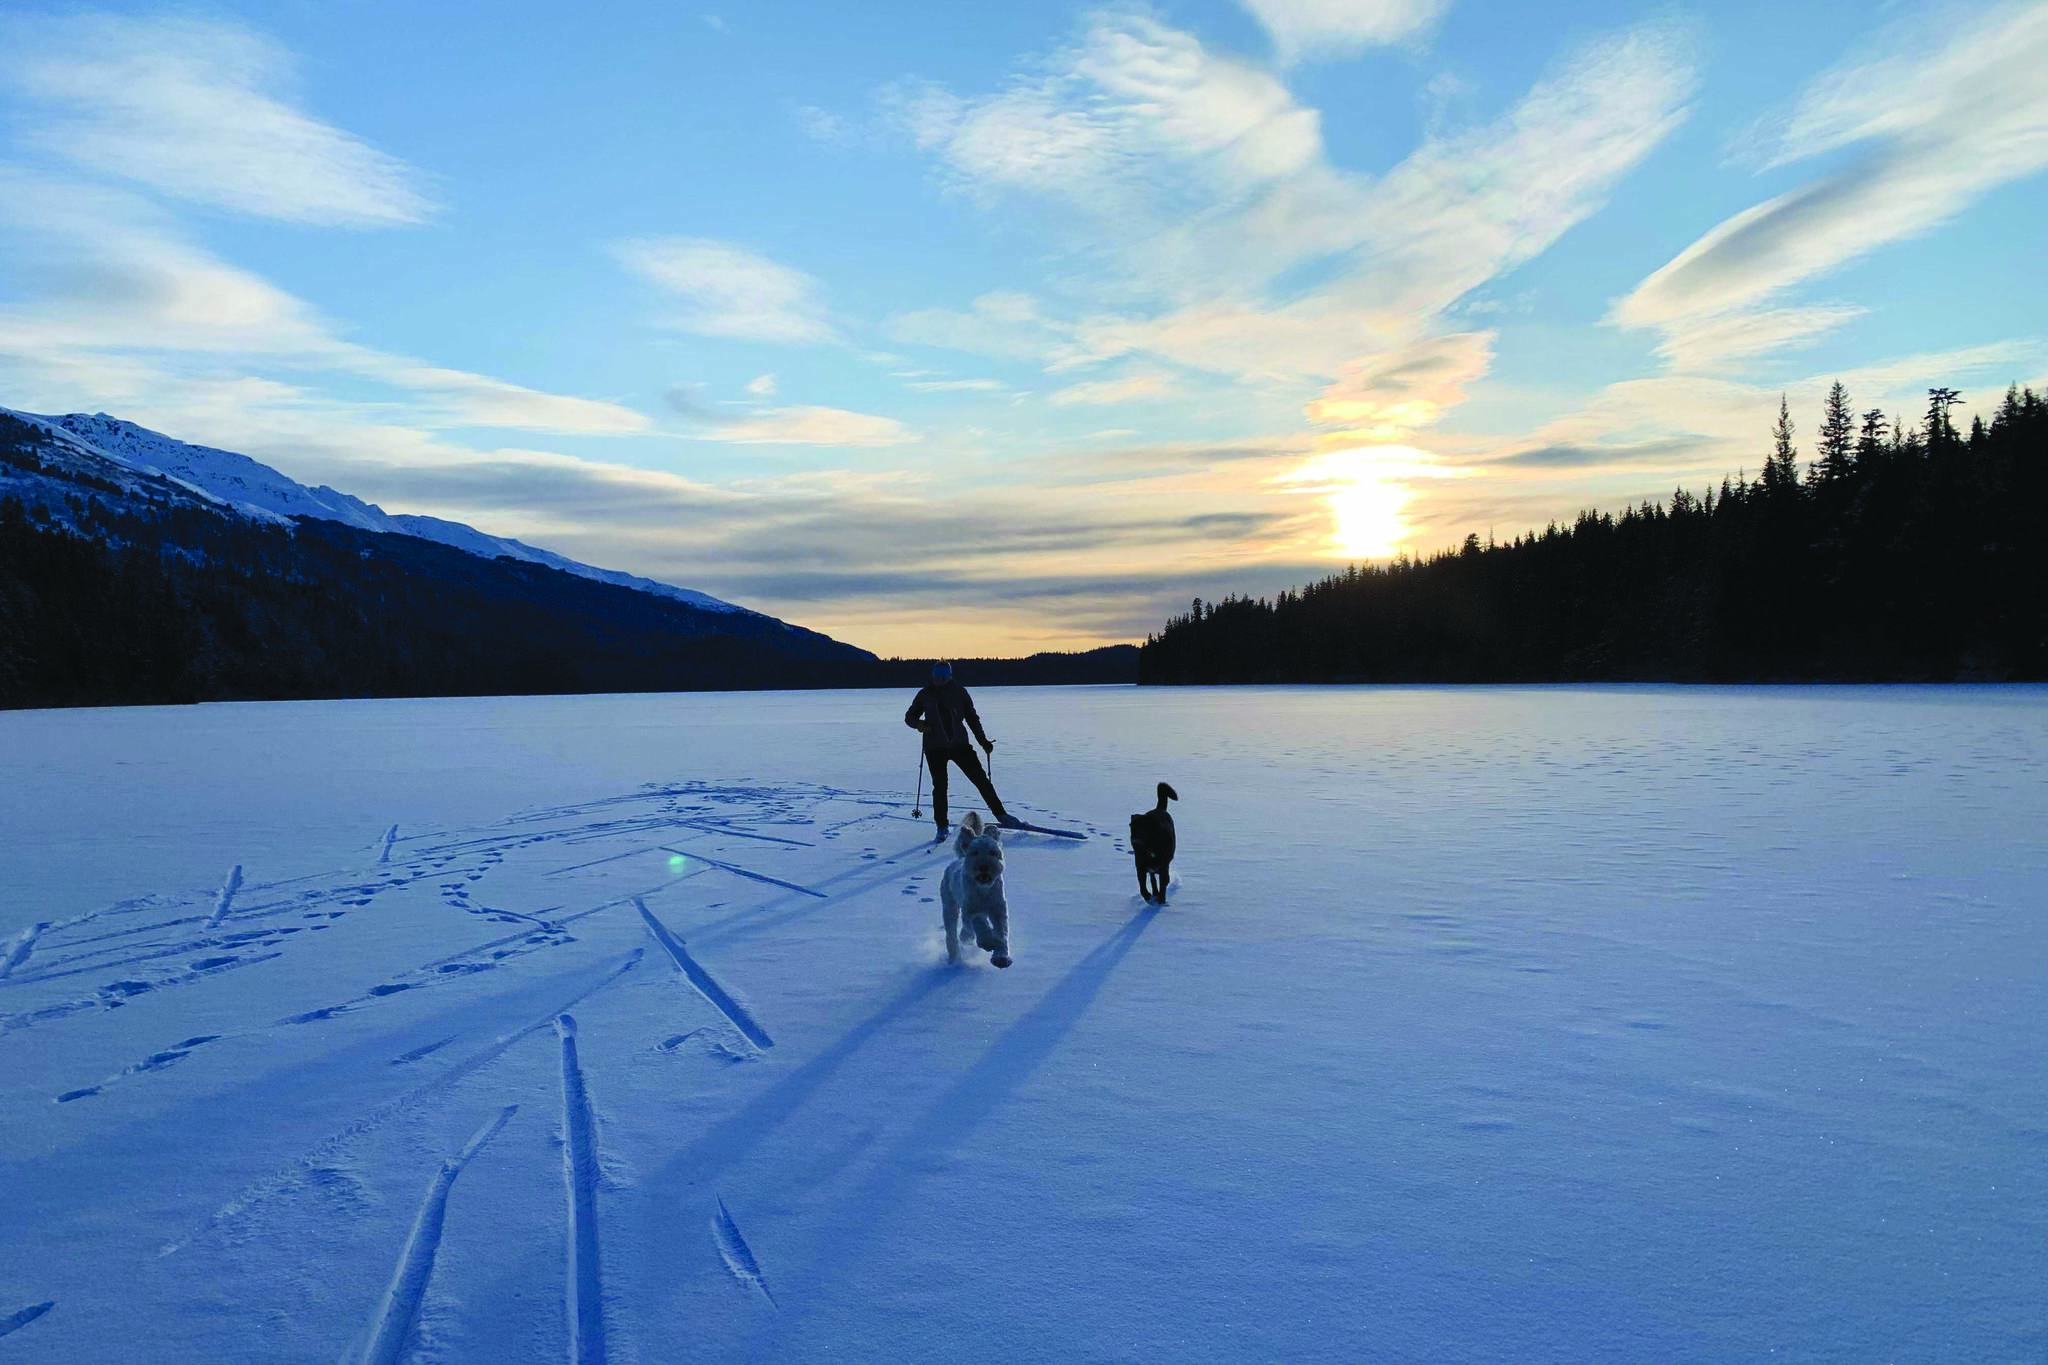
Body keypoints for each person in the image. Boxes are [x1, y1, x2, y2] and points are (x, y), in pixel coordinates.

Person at [905, 662, 1014, 837]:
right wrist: (919, 724)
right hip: (935, 749)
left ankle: (1001, 814)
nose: (939, 680)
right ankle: (942, 826)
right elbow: (909, 717)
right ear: (932, 676)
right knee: (940, 787)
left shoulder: (959, 693)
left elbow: (972, 719)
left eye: (943, 677)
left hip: (960, 746)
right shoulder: (925, 694)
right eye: (936, 677)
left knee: (981, 780)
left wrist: (983, 741)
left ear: (949, 677)